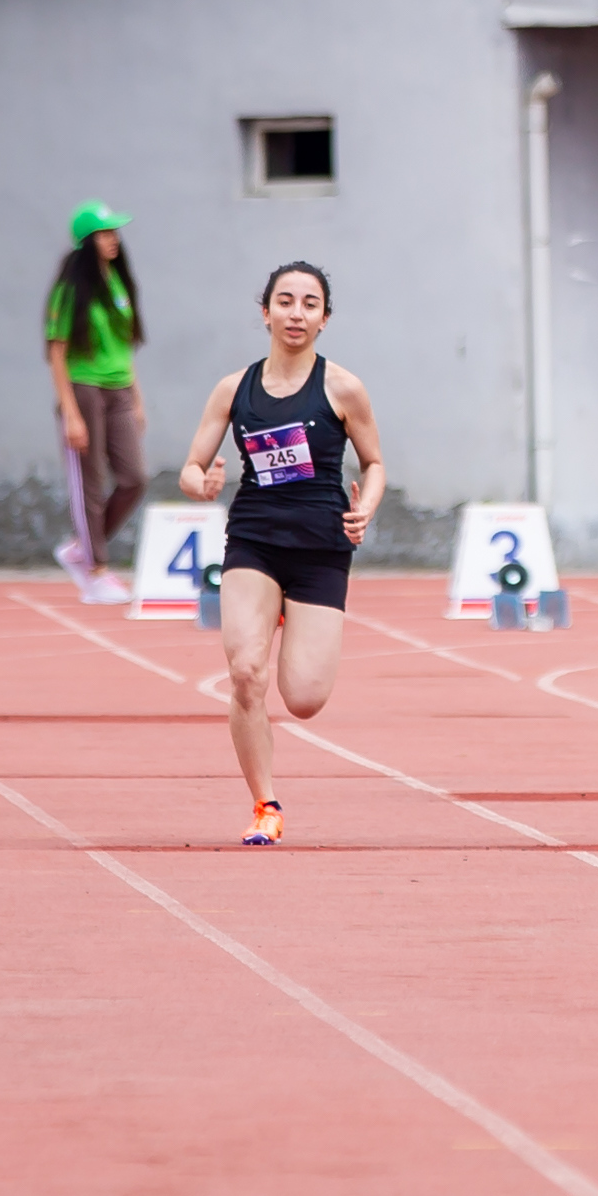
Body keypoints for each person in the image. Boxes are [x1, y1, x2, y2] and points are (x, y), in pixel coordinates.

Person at [178, 262, 385, 847]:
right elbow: (191, 467)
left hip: (320, 548)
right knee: (246, 674)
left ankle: (293, 612)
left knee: (304, 699)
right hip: (255, 541)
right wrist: (201, 484)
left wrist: (366, 507)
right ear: (265, 312)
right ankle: (265, 804)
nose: (297, 313)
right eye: (286, 301)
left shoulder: (343, 387)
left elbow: (374, 463)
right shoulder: (233, 389)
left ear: (324, 319)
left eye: (309, 304)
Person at [46, 202, 147, 603]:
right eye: (105, 233)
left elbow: (125, 347)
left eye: (115, 232)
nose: (113, 240)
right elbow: (56, 352)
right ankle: (96, 569)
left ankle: (81, 548)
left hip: (119, 388)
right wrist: (70, 412)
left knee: (134, 478)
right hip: (84, 388)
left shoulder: (118, 283)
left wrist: (136, 398)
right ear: (87, 242)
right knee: (90, 481)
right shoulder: (69, 290)